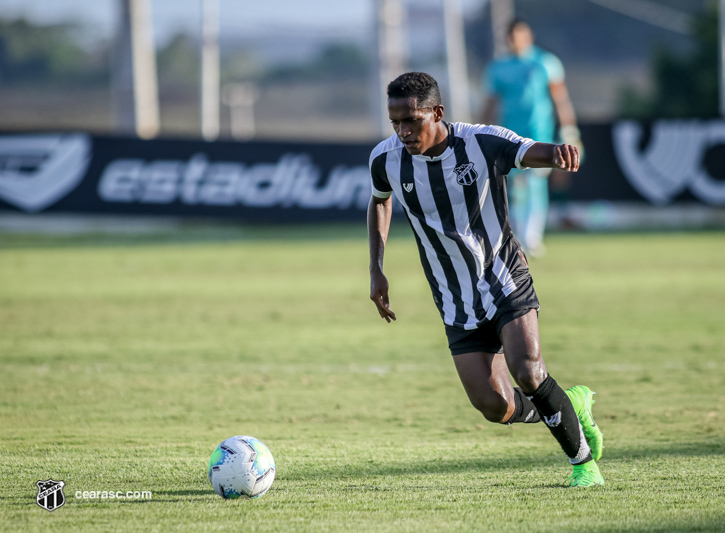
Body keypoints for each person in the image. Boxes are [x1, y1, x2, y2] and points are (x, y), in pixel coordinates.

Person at [367, 72, 603, 487]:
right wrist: (377, 267)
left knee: (528, 371)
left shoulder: (480, 142)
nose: (403, 131)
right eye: (395, 123)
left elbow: (528, 151)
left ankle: (583, 462)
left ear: (437, 113)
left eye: (411, 121)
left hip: (504, 276)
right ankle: (569, 405)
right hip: (453, 297)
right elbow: (380, 202)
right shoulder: (385, 159)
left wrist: (559, 152)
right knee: (494, 406)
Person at [481, 19, 582, 256]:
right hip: (510, 135)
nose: (515, 40)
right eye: (511, 36)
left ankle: (532, 236)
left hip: (540, 133)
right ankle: (517, 235)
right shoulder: (498, 68)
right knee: (515, 186)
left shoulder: (546, 62)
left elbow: (560, 98)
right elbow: (490, 104)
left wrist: (569, 128)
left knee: (536, 181)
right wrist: (479, 130)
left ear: (528, 36)